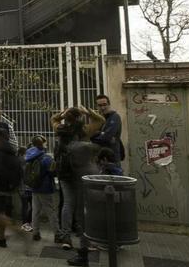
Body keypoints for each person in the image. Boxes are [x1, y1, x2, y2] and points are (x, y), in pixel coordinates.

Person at [50, 106, 105, 266]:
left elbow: (53, 119)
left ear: (66, 118)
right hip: (80, 173)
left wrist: (61, 113)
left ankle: (66, 238)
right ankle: (85, 245)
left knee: (67, 204)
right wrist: (88, 112)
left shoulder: (60, 129)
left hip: (64, 173)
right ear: (79, 118)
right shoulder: (85, 131)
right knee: (82, 210)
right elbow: (101, 120)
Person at [0, 127, 28, 250]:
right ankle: (1, 238)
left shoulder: (0, 151)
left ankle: (21, 234)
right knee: (1, 213)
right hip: (8, 186)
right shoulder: (10, 149)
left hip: (1, 186)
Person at [25, 135, 58, 243]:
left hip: (34, 187)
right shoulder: (47, 158)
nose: (47, 144)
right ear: (42, 145)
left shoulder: (29, 156)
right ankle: (57, 234)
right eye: (45, 143)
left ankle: (36, 233)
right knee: (51, 212)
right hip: (46, 188)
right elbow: (53, 173)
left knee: (35, 211)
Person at [90, 94, 123, 162]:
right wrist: (100, 133)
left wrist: (95, 136)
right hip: (99, 158)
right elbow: (91, 133)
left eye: (105, 104)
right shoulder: (97, 119)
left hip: (112, 158)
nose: (103, 108)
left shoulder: (114, 117)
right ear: (96, 106)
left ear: (109, 105)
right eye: (100, 105)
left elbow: (107, 137)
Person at [18, 146, 33, 232]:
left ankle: (26, 222)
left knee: (26, 206)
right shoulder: (23, 161)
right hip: (25, 188)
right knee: (28, 206)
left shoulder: (23, 161)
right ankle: (26, 223)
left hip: (23, 188)